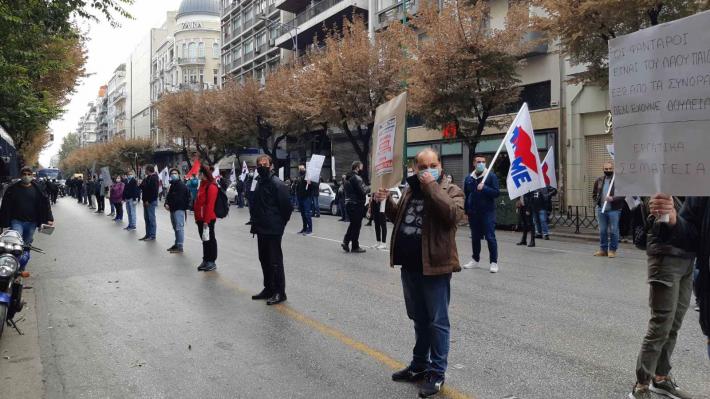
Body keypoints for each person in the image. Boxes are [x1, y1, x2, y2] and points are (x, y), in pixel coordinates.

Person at [374, 148, 465, 399]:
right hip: (410, 265)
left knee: (438, 321)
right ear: (414, 168)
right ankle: (418, 366)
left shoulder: (451, 190)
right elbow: (398, 218)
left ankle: (436, 372)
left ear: (440, 166)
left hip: (435, 267)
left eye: (432, 165)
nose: (427, 170)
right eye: (422, 167)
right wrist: (383, 200)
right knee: (419, 319)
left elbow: (453, 216)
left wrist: (432, 187)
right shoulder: (409, 190)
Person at [627, 194, 708, 399]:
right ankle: (641, 385)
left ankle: (661, 378)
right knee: (661, 324)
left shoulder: (693, 178)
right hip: (666, 258)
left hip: (689, 258)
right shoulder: (658, 179)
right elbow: (650, 224)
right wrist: (660, 212)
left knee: (674, 323)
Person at [250, 155, 293, 305]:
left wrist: (280, 224)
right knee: (264, 259)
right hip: (261, 228)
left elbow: (287, 207)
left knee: (275, 261)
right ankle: (268, 288)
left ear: (271, 165)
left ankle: (280, 292)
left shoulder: (278, 184)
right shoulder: (259, 183)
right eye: (260, 164)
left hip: (273, 229)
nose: (262, 166)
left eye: (265, 164)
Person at [462, 155, 500, 273]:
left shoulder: (491, 176)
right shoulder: (469, 178)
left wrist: (485, 188)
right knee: (475, 237)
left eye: (483, 162)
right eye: (478, 162)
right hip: (474, 212)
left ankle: (493, 262)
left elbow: (496, 193)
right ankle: (475, 259)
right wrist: (466, 211)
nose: (481, 164)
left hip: (488, 212)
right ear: (474, 163)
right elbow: (467, 195)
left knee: (490, 237)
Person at [0, 167, 54, 245]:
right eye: (24, 174)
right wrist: (1, 223)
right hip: (16, 221)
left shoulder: (38, 189)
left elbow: (46, 205)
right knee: (16, 242)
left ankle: (25, 256)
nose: (26, 176)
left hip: (33, 222)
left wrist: (49, 218)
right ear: (20, 176)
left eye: (29, 174)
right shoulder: (12, 189)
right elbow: (5, 206)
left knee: (26, 243)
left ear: (32, 176)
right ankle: (16, 256)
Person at [592, 162, 625, 258]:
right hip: (601, 209)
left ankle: (612, 250)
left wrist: (613, 198)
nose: (608, 170)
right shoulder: (599, 180)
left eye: (610, 168)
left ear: (613, 168)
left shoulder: (618, 180)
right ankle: (603, 250)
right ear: (603, 169)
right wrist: (596, 201)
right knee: (602, 230)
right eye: (606, 169)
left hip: (614, 210)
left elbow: (623, 195)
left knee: (614, 230)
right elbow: (594, 193)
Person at [194, 165, 219, 271]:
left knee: (210, 240)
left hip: (207, 219)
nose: (198, 175)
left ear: (203, 174)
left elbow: (210, 205)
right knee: (204, 240)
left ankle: (211, 261)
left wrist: (206, 221)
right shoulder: (202, 185)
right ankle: (205, 259)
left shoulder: (211, 186)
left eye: (199, 173)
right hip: (200, 218)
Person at [342, 161, 368, 253]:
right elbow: (363, 191)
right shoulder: (356, 178)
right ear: (357, 167)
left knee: (353, 224)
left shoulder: (347, 177)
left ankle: (346, 242)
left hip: (349, 204)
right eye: (361, 167)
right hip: (356, 204)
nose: (362, 169)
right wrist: (372, 187)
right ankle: (354, 246)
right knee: (356, 225)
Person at [165, 168, 190, 254]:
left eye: (175, 173)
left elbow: (181, 199)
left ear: (179, 174)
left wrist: (171, 205)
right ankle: (176, 244)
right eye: (171, 173)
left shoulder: (181, 185)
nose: (173, 174)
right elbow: (168, 196)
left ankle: (180, 246)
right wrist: (166, 203)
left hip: (179, 209)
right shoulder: (172, 185)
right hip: (172, 209)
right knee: (175, 228)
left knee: (179, 228)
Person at [139, 165, 159, 241]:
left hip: (150, 201)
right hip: (145, 201)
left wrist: (149, 200)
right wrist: (140, 183)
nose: (144, 171)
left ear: (148, 170)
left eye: (145, 169)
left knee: (151, 219)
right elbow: (141, 187)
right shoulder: (147, 178)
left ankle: (152, 235)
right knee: (146, 219)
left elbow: (154, 191)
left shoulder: (154, 178)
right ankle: (147, 234)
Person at [296, 164, 314, 235]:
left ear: (305, 169)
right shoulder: (299, 177)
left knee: (307, 213)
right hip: (300, 197)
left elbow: (312, 186)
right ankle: (304, 228)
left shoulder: (308, 177)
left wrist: (309, 183)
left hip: (307, 197)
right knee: (303, 214)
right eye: (300, 169)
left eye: (302, 169)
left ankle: (310, 229)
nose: (301, 170)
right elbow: (298, 187)